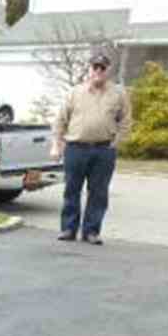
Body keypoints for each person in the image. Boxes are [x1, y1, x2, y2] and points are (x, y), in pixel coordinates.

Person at [50, 51, 132, 245]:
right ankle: (68, 229)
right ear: (89, 69)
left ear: (108, 71)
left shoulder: (118, 94)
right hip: (75, 148)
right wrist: (56, 145)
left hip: (104, 150)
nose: (98, 71)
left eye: (102, 68)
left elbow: (125, 121)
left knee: (99, 193)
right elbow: (60, 120)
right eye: (95, 67)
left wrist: (116, 143)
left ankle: (91, 232)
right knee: (71, 190)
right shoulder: (74, 92)